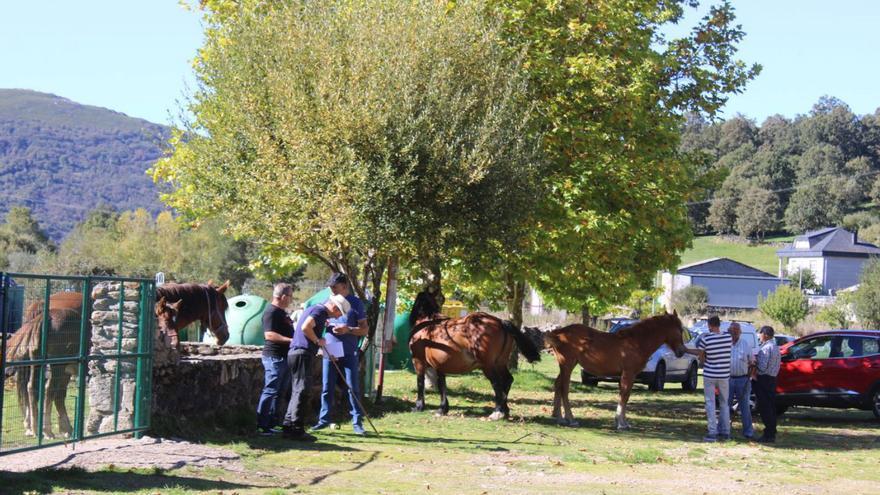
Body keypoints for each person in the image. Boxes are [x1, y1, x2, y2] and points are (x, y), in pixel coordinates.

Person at [282, 294, 351, 441]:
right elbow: (305, 327)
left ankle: (288, 427)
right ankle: (297, 429)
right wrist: (317, 340)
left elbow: (308, 330)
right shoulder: (320, 312)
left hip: (296, 352)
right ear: (334, 307)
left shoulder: (316, 310)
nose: (338, 316)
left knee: (296, 390)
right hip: (302, 353)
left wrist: (321, 343)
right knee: (302, 390)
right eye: (339, 312)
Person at [312, 273, 369, 435]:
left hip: (349, 352)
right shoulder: (327, 302)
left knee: (353, 387)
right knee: (327, 387)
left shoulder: (356, 304)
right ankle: (324, 420)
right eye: (330, 288)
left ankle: (357, 423)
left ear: (345, 287)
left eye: (335, 288)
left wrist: (348, 329)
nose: (332, 291)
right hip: (330, 350)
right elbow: (317, 324)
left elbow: (365, 329)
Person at [256, 283, 294, 435]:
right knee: (270, 390)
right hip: (274, 357)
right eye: (290, 296)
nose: (291, 299)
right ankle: (261, 425)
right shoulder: (271, 312)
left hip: (284, 357)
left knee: (280, 391)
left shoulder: (282, 313)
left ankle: (271, 423)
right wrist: (291, 341)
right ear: (283, 296)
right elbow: (269, 335)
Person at [686, 315, 732, 442]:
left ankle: (713, 431)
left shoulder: (706, 339)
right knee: (724, 403)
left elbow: (701, 356)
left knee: (710, 403)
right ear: (719, 324)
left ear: (709, 325)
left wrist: (702, 358)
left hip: (710, 374)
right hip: (724, 375)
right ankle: (726, 431)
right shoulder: (728, 338)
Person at [753, 325, 781, 444]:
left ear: (765, 335)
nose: (759, 336)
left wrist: (754, 362)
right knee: (771, 407)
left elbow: (762, 367)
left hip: (764, 379)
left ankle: (768, 434)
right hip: (772, 379)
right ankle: (772, 432)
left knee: (764, 408)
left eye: (760, 333)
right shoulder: (775, 347)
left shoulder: (765, 348)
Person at [727, 322, 755, 440]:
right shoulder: (725, 344)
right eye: (731, 330)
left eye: (736, 331)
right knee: (725, 406)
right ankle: (723, 430)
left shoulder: (745, 344)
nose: (733, 333)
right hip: (727, 379)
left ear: (740, 332)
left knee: (744, 407)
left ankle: (748, 432)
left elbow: (752, 362)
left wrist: (749, 377)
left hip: (743, 379)